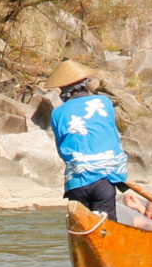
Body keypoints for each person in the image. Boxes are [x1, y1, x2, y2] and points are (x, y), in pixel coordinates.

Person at [46, 59, 129, 221]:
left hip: (76, 182)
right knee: (105, 225)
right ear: (85, 84)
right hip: (104, 179)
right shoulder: (104, 102)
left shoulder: (57, 113)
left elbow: (61, 150)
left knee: (81, 224)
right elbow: (112, 134)